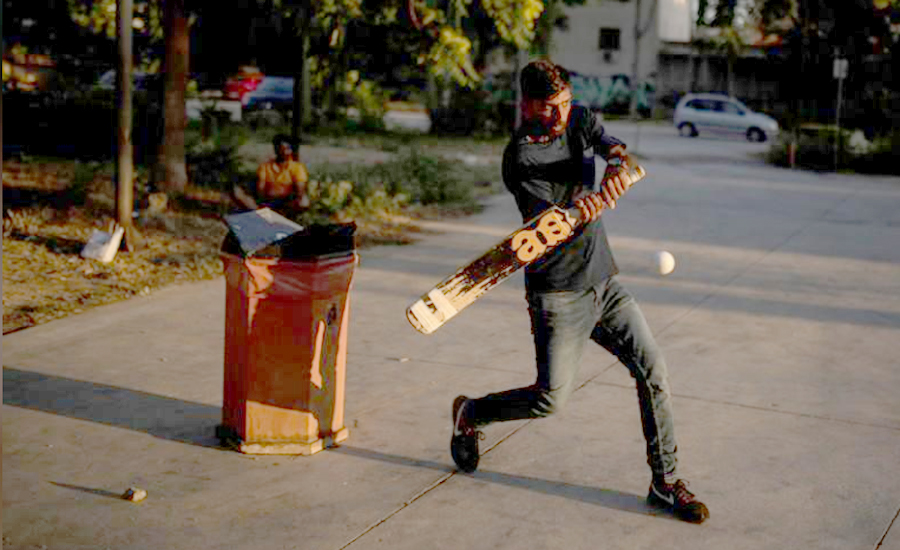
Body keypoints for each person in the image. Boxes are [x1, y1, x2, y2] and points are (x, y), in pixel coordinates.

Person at [450, 60, 709, 524]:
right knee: (550, 401)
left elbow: (613, 145)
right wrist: (580, 207)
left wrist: (616, 164)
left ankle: (665, 482)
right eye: (551, 108)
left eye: (566, 103)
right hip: (557, 293)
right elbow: (552, 224)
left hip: (604, 280)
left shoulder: (579, 118)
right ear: (526, 104)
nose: (561, 115)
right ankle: (473, 412)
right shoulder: (521, 157)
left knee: (654, 368)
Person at [232, 134, 310, 215]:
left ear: (291, 150)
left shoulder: (298, 167)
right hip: (268, 201)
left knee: (303, 202)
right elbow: (260, 190)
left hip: (287, 202)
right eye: (280, 149)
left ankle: (282, 214)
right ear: (275, 149)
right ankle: (261, 212)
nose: (283, 152)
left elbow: (299, 191)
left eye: (286, 149)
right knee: (239, 193)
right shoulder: (265, 167)